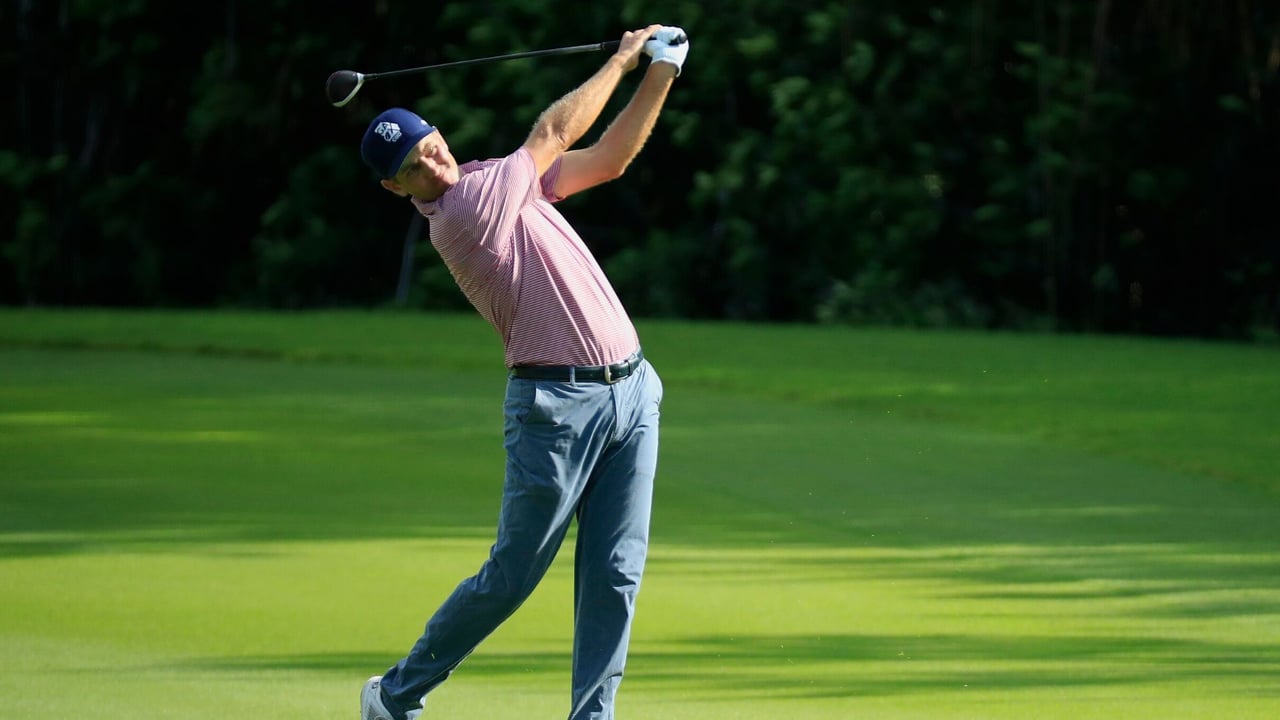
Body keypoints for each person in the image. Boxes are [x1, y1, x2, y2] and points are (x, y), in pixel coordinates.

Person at [355, 24, 689, 720]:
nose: (433, 164)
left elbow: (609, 159)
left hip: (632, 393)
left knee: (616, 575)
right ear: (398, 189)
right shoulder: (462, 214)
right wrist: (627, 57)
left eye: (430, 145)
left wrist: (662, 73)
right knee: (513, 576)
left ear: (440, 132)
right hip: (555, 410)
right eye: (414, 168)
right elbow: (554, 132)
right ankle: (395, 694)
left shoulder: (494, 182)